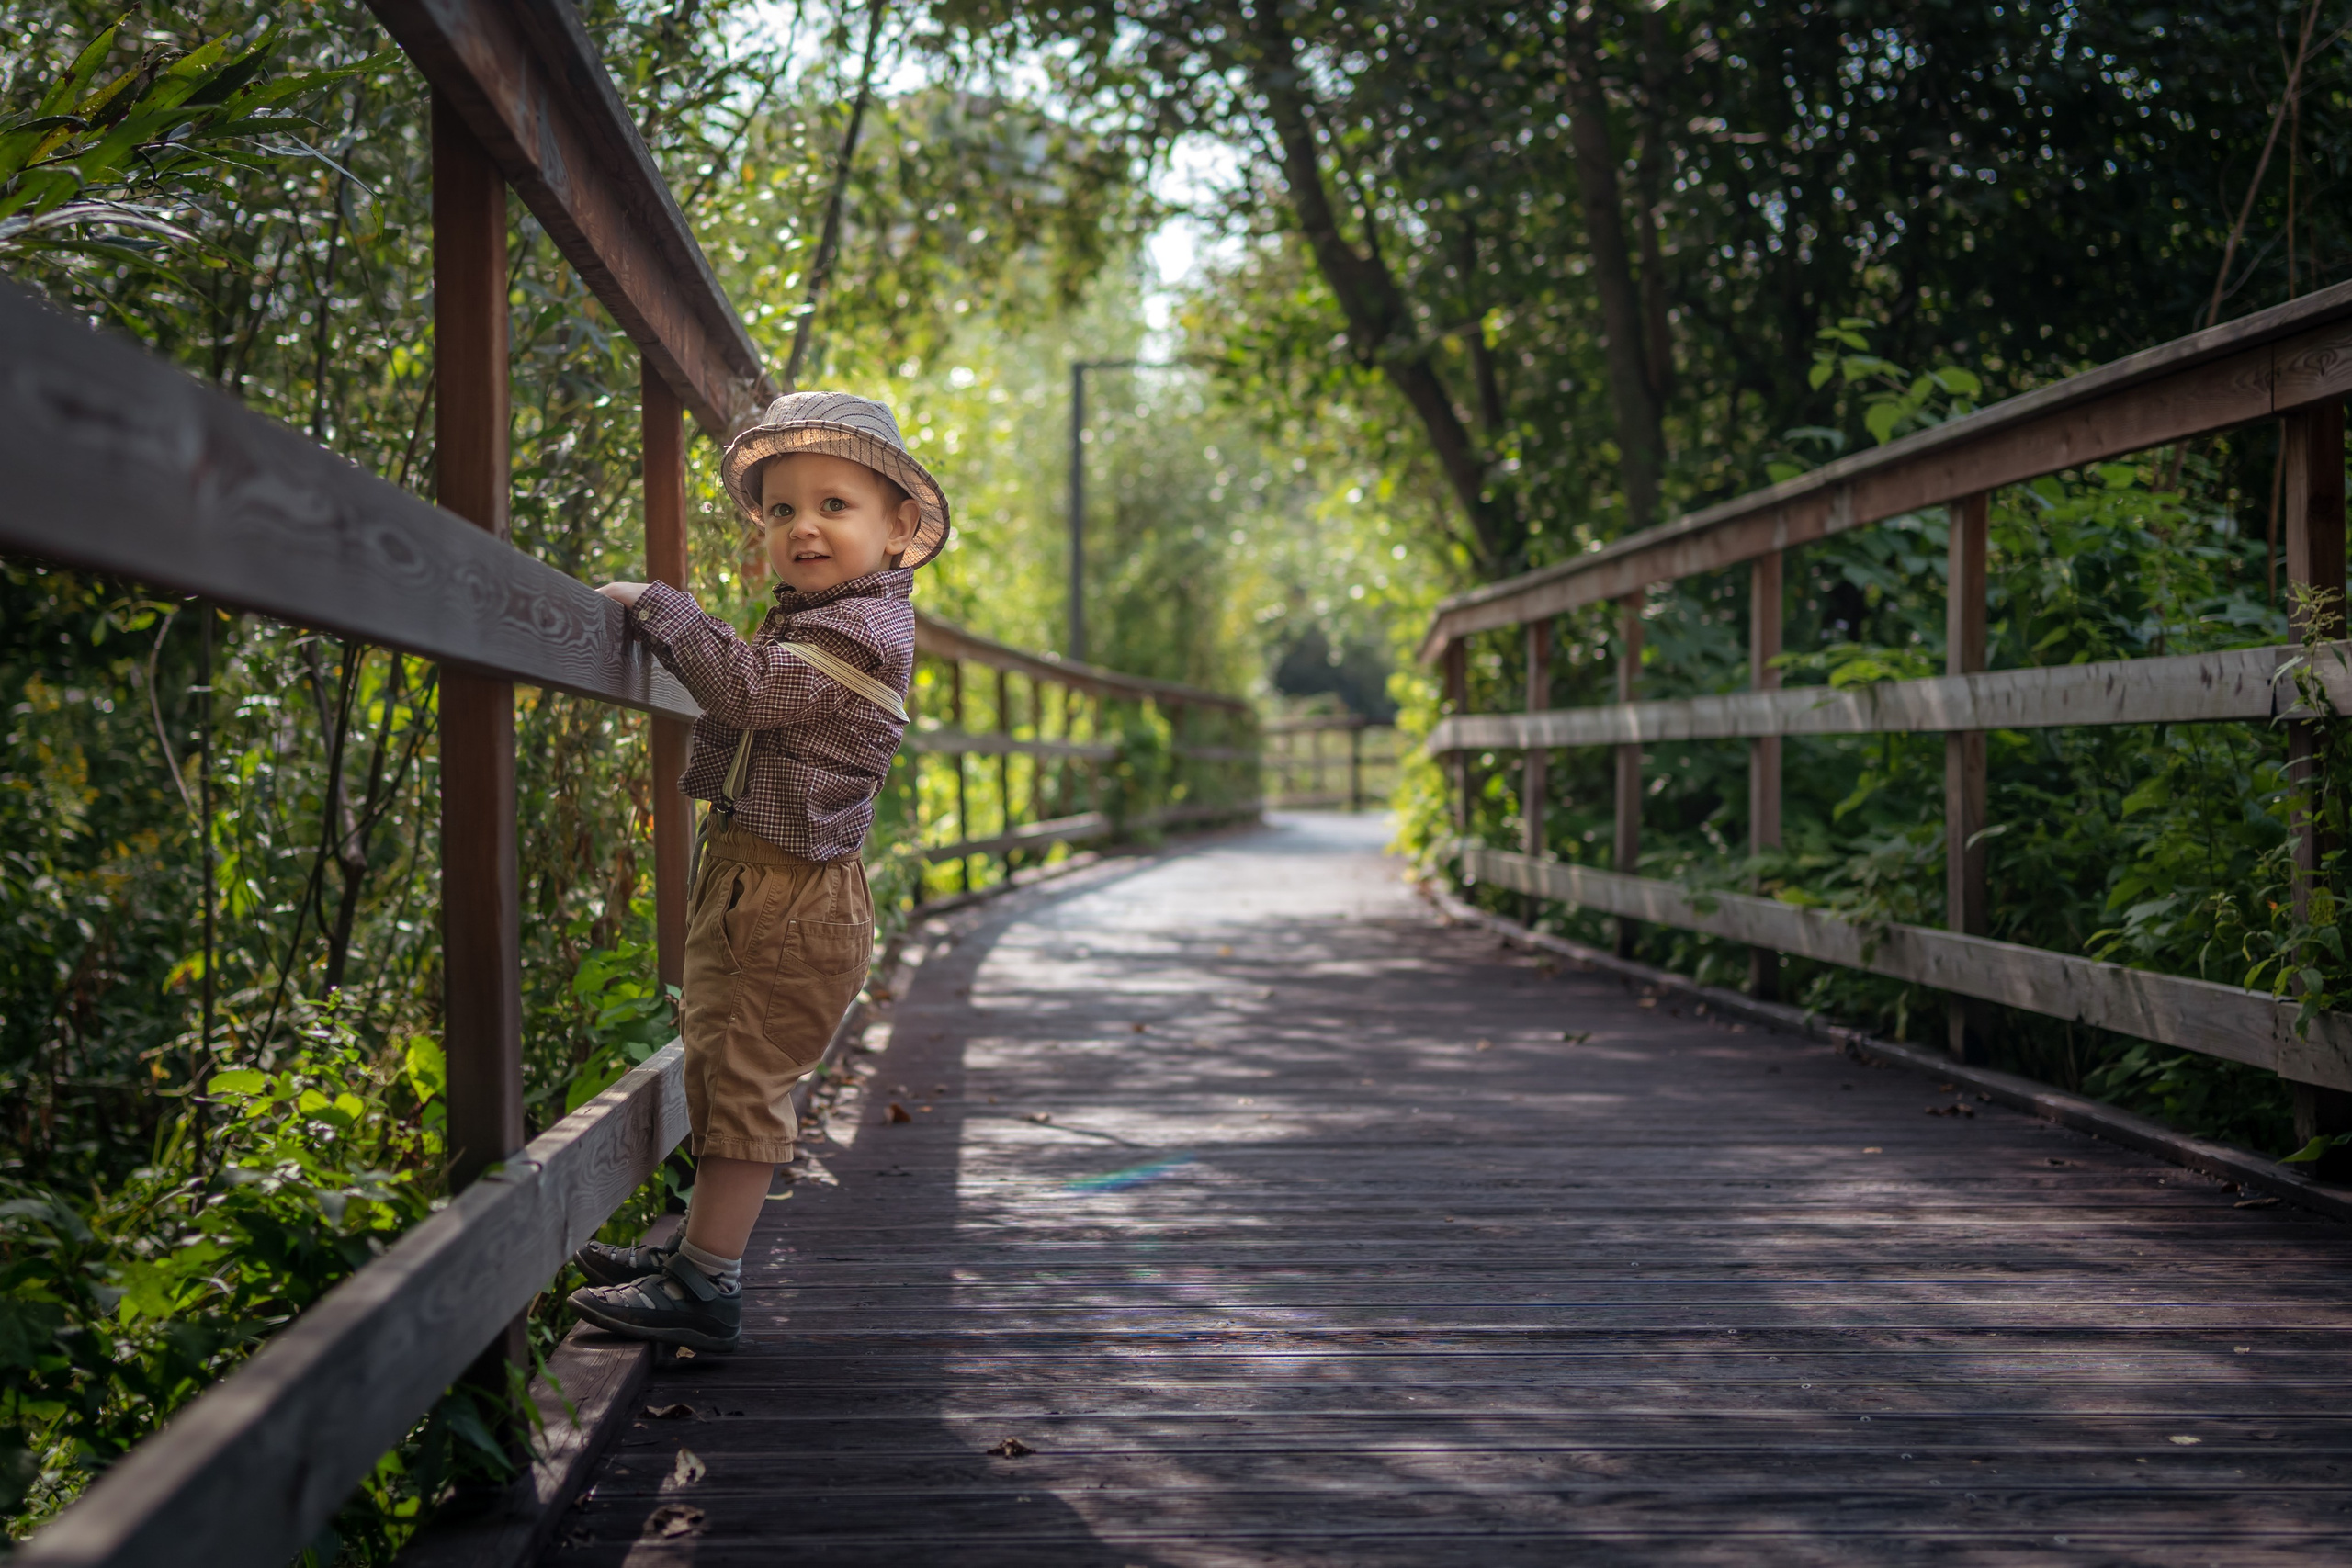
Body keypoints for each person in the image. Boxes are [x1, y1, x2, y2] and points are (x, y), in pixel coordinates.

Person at [566, 390, 949, 1352]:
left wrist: (662, 608)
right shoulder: (821, 617)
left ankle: (706, 1285)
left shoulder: (862, 631)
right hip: (758, 879)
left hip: (790, 891)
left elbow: (745, 688)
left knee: (742, 1080)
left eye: (833, 506)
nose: (802, 528)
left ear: (900, 528)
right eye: (781, 510)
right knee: (716, 1052)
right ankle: (695, 1253)